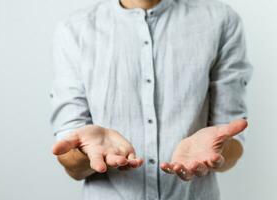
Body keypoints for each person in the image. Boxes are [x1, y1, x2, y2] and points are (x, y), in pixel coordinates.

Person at [50, 0, 252, 199]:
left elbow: (233, 144)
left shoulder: (220, 20)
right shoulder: (74, 29)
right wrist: (87, 153)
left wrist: (218, 148)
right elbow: (72, 164)